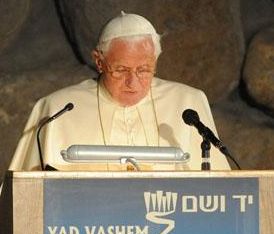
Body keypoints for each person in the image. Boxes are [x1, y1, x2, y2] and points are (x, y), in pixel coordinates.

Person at [9, 12, 230, 171]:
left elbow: (219, 194)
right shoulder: (57, 108)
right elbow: (25, 197)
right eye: (121, 70)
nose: (132, 83)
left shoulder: (187, 102)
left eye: (144, 70)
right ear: (99, 61)